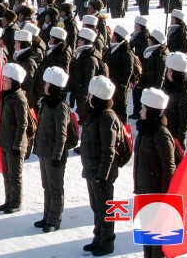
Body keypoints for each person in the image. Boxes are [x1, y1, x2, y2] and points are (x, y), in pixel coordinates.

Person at [81, 75, 122, 257]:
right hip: (92, 169)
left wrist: (102, 174)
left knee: (105, 208)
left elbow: (109, 150)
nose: (87, 98)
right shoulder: (95, 114)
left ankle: (107, 241)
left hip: (102, 173)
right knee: (96, 207)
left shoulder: (107, 117)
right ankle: (98, 237)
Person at [133, 88, 177, 258]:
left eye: (143, 108)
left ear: (151, 112)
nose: (140, 111)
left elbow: (168, 168)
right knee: (146, 236)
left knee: (157, 241)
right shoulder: (145, 130)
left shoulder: (161, 135)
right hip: (144, 191)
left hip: (157, 195)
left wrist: (165, 198)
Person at [34, 66, 75, 232]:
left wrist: (57, 155)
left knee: (55, 188)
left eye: (47, 84)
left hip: (54, 154)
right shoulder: (46, 103)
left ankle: (54, 219)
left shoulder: (60, 106)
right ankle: (47, 216)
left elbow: (62, 134)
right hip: (44, 150)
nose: (44, 86)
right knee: (47, 186)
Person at [0, 63, 30, 212]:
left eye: (6, 80)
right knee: (6, 174)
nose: (3, 82)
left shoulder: (19, 100)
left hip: (14, 144)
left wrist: (17, 145)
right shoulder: (7, 96)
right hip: (5, 141)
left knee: (14, 176)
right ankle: (8, 199)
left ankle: (16, 202)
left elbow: (22, 124)